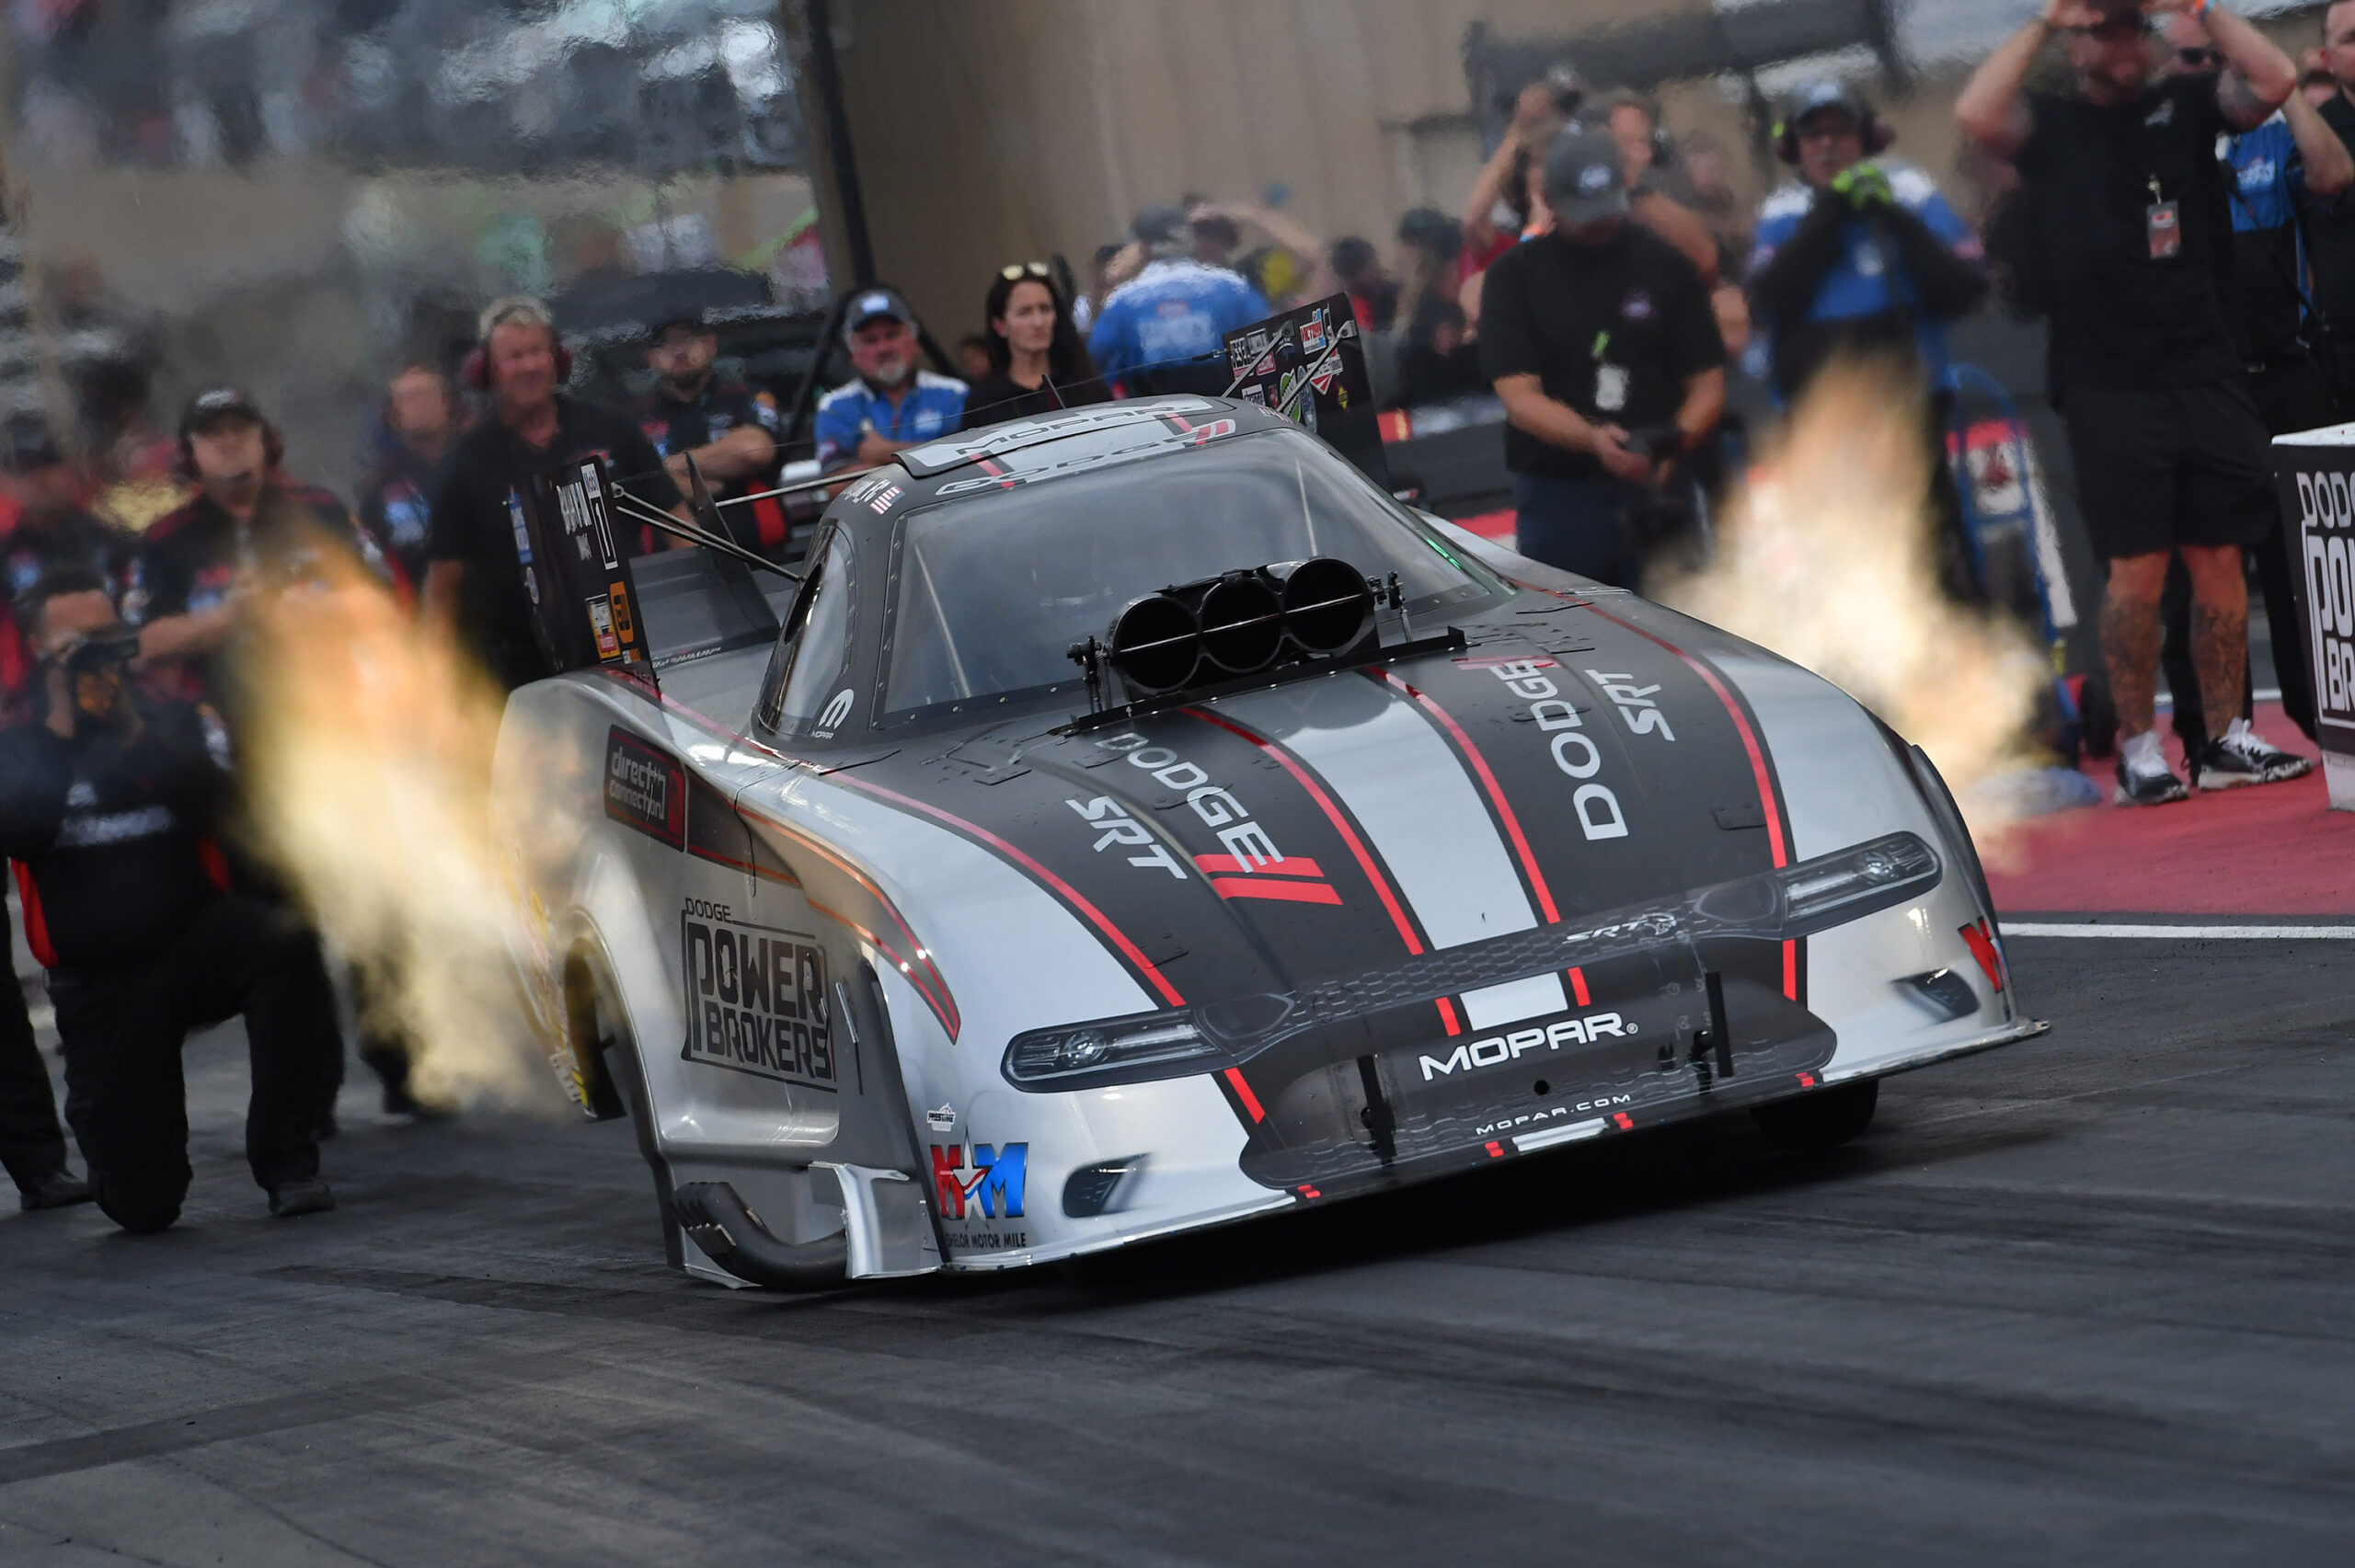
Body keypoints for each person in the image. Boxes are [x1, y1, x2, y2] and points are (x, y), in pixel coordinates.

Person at [1958, 0, 2314, 804]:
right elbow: (1976, 112)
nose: (2125, 44)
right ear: (2082, 45)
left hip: (2204, 366)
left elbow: (2277, 77)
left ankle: (2225, 737)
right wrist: (2048, 21)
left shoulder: (2184, 104)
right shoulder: (2050, 122)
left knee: (2220, 558)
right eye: (2107, 31)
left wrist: (2199, 9)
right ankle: (2139, 746)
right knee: (2138, 573)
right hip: (2109, 382)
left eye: (2132, 29)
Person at [0, 569, 339, 1230]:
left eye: (108, 638)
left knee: (285, 940)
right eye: (79, 644)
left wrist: (134, 733)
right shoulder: (17, 744)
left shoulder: (174, 717)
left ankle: (288, 1161)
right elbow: (22, 831)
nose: (99, 655)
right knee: (142, 1202)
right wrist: (64, 730)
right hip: (103, 981)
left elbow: (230, 811)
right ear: (42, 652)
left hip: (196, 942)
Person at [2158, 14, 2348, 754]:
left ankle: (2323, 712)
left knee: (2306, 562)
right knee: (2204, 567)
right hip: (2201, 386)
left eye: (2213, 58)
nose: (2203, 71)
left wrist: (2290, 93)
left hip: (2288, 374)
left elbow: (2332, 176)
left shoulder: (2271, 129)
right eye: (2186, 61)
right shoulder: (2150, 141)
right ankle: (2215, 732)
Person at [1479, 125, 1728, 589]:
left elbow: (1707, 382)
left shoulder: (1665, 265)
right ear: (1548, 199)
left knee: (1684, 625)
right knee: (1576, 637)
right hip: (1562, 496)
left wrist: (1675, 444)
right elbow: (1519, 397)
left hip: (1657, 483)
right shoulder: (1514, 278)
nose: (1599, 225)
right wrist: (1594, 440)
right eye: (1583, 214)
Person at [423, 297, 689, 692]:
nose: (529, 366)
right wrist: (435, 684)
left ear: (557, 359)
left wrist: (692, 609)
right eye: (515, 356)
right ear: (488, 370)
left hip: (629, 652)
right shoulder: (465, 462)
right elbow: (442, 590)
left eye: (537, 352)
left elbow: (677, 521)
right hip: (522, 674)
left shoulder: (610, 427)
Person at [129, 388, 385, 729]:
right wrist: (226, 617)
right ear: (189, 452)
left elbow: (383, 603)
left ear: (265, 441)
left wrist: (316, 609)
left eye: (240, 429)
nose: (229, 442)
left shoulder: (319, 510)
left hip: (331, 721)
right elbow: (137, 646)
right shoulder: (166, 538)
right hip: (220, 736)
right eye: (213, 434)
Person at [1749, 81, 1990, 406]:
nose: (1827, 144)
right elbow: (1766, 301)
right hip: (1820, 407)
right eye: (1812, 134)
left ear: (1868, 137)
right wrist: (1829, 214)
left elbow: (1966, 287)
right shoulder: (1781, 209)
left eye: (1841, 130)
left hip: (1912, 396)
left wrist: (1896, 218)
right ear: (1792, 146)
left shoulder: (1909, 188)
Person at [637, 314, 785, 554]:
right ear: (651, 358)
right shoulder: (636, 417)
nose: (679, 351)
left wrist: (669, 469)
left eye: (687, 339)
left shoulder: (746, 395)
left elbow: (754, 451)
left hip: (761, 559)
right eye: (666, 344)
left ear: (710, 344)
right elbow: (630, 483)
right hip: (670, 569)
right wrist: (715, 470)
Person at [1087, 207, 1270, 397]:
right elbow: (1267, 340)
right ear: (1191, 241)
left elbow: (1096, 358)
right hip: (1231, 413)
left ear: (1141, 247)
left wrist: (1109, 280)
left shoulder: (1123, 300)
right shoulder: (1234, 286)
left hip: (1156, 418)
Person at [811, 290, 969, 475]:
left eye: (892, 335)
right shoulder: (835, 406)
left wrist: (886, 453)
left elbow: (967, 464)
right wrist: (927, 455)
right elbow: (836, 485)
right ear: (853, 353)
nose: (884, 348)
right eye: (870, 340)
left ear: (914, 341)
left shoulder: (954, 393)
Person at [959, 263, 1110, 431]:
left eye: (1045, 309)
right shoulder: (984, 404)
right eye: (1024, 312)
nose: (1038, 322)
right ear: (1000, 326)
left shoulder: (1085, 383)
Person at [356, 363, 457, 600]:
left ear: (446, 403)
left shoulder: (478, 463)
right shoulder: (380, 488)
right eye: (409, 399)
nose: (419, 406)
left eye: (426, 395)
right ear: (393, 414)